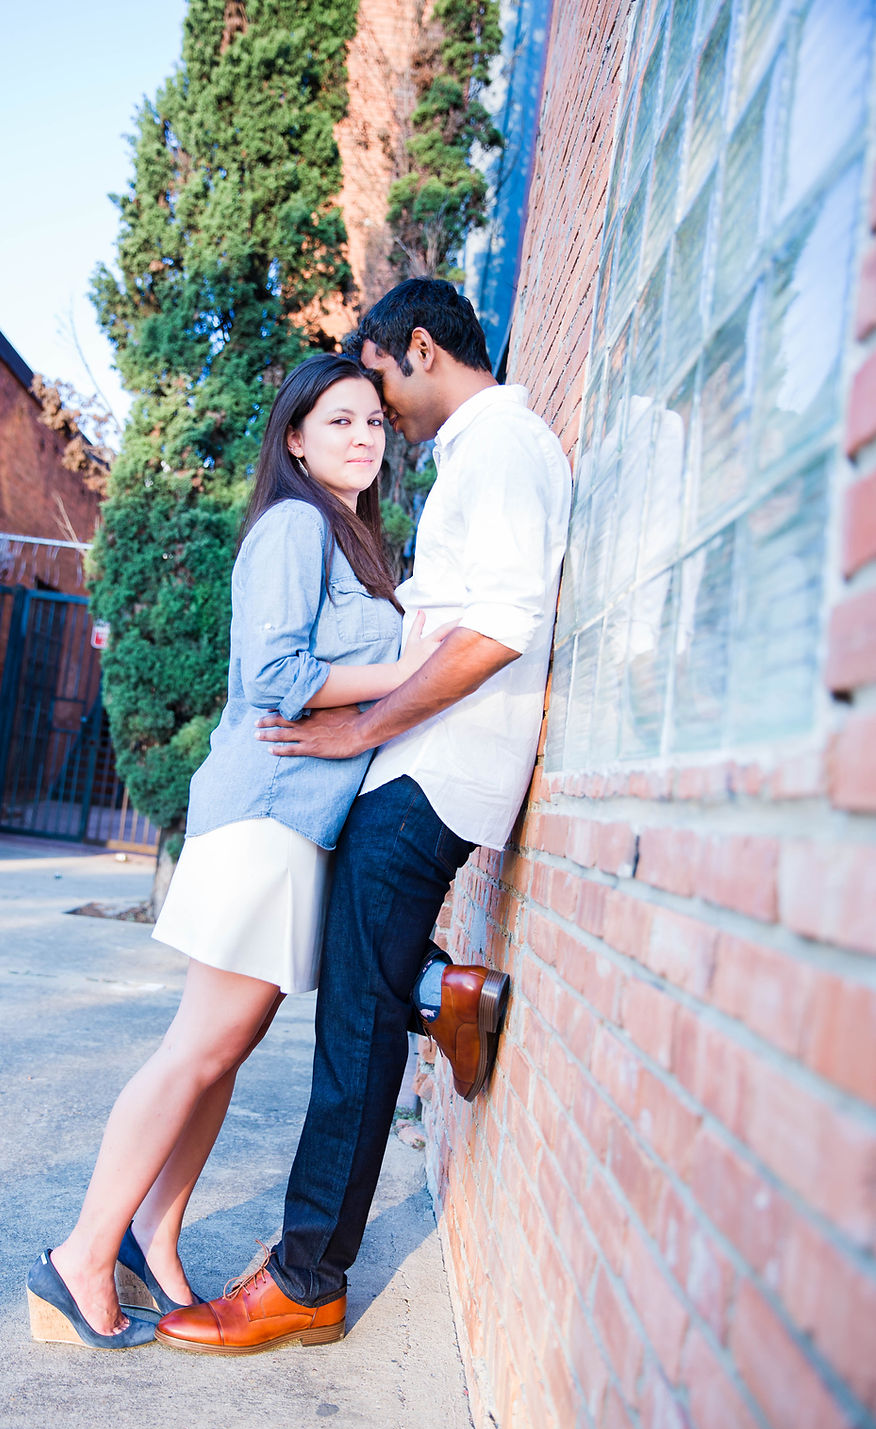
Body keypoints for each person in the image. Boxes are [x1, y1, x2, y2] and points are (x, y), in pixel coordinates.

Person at [155, 277, 572, 1356]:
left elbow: (502, 627)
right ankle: (442, 989)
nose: (378, 418)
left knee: (352, 1019)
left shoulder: (500, 447)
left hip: (432, 772)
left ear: (418, 347)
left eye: (378, 388)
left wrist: (365, 725)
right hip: (413, 766)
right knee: (363, 977)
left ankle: (306, 1279)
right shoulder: (474, 455)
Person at [26, 352, 453, 1349]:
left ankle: (152, 1241)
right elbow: (274, 674)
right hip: (263, 815)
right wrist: (409, 668)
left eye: (373, 421)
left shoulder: (349, 538)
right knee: (197, 1047)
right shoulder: (295, 526)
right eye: (338, 420)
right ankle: (80, 1257)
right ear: (294, 439)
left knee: (224, 1050)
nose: (363, 436)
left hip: (295, 828)